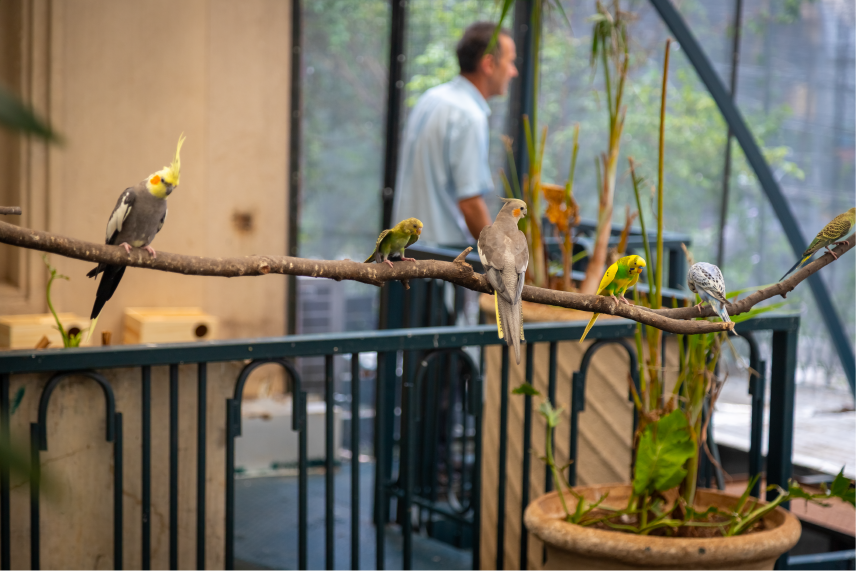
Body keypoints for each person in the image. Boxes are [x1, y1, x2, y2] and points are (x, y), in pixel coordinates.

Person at [391, 22, 518, 247]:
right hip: (439, 253)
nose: (513, 72)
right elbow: (470, 204)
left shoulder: (431, 98)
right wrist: (501, 254)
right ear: (489, 64)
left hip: (406, 246)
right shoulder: (469, 114)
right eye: (510, 62)